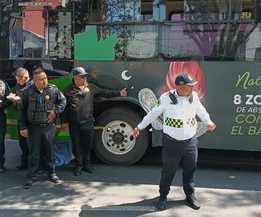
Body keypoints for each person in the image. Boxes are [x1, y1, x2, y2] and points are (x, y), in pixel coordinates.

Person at [132, 73, 216, 211]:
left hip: (190, 142)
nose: (193, 88)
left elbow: (201, 110)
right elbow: (153, 113)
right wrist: (139, 127)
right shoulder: (166, 98)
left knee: (190, 169)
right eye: (190, 86)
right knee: (168, 171)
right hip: (172, 143)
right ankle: (163, 196)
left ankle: (190, 195)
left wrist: (208, 121)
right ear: (180, 87)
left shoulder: (193, 97)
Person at [61, 66, 127, 176]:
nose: (84, 79)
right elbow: (63, 107)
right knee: (76, 146)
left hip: (88, 122)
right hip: (74, 124)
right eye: (82, 77)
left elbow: (105, 93)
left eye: (85, 76)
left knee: (87, 145)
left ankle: (87, 164)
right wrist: (63, 121)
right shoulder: (67, 89)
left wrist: (119, 93)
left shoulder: (91, 87)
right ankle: (78, 166)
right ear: (76, 77)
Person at [18, 68, 66, 189]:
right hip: (33, 127)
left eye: (45, 78)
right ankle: (31, 176)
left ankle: (52, 173)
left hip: (49, 127)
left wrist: (56, 111)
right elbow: (21, 110)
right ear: (34, 81)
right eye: (41, 79)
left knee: (50, 151)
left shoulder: (53, 89)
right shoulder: (27, 92)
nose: (44, 81)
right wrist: (22, 127)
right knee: (34, 153)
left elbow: (63, 101)